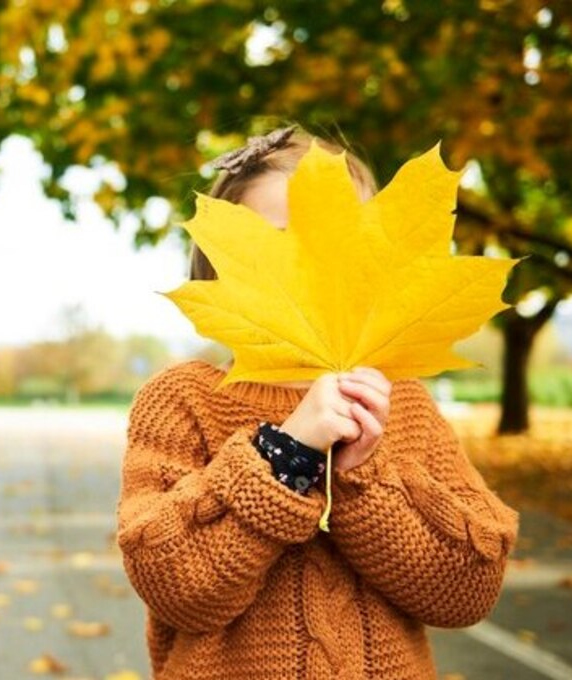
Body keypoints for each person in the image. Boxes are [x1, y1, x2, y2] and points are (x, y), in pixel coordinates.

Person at [115, 124, 520, 679]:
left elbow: (468, 589)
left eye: (333, 247)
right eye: (278, 246)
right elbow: (176, 586)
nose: (307, 269)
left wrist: (364, 477)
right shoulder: (184, 399)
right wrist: (285, 457)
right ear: (218, 267)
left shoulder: (403, 405)